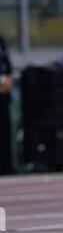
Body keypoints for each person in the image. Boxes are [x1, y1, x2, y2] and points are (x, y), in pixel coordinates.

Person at [0, 35, 13, 175]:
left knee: (5, 134)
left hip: (4, 97)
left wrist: (9, 80)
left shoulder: (1, 40)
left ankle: (7, 167)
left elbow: (8, 65)